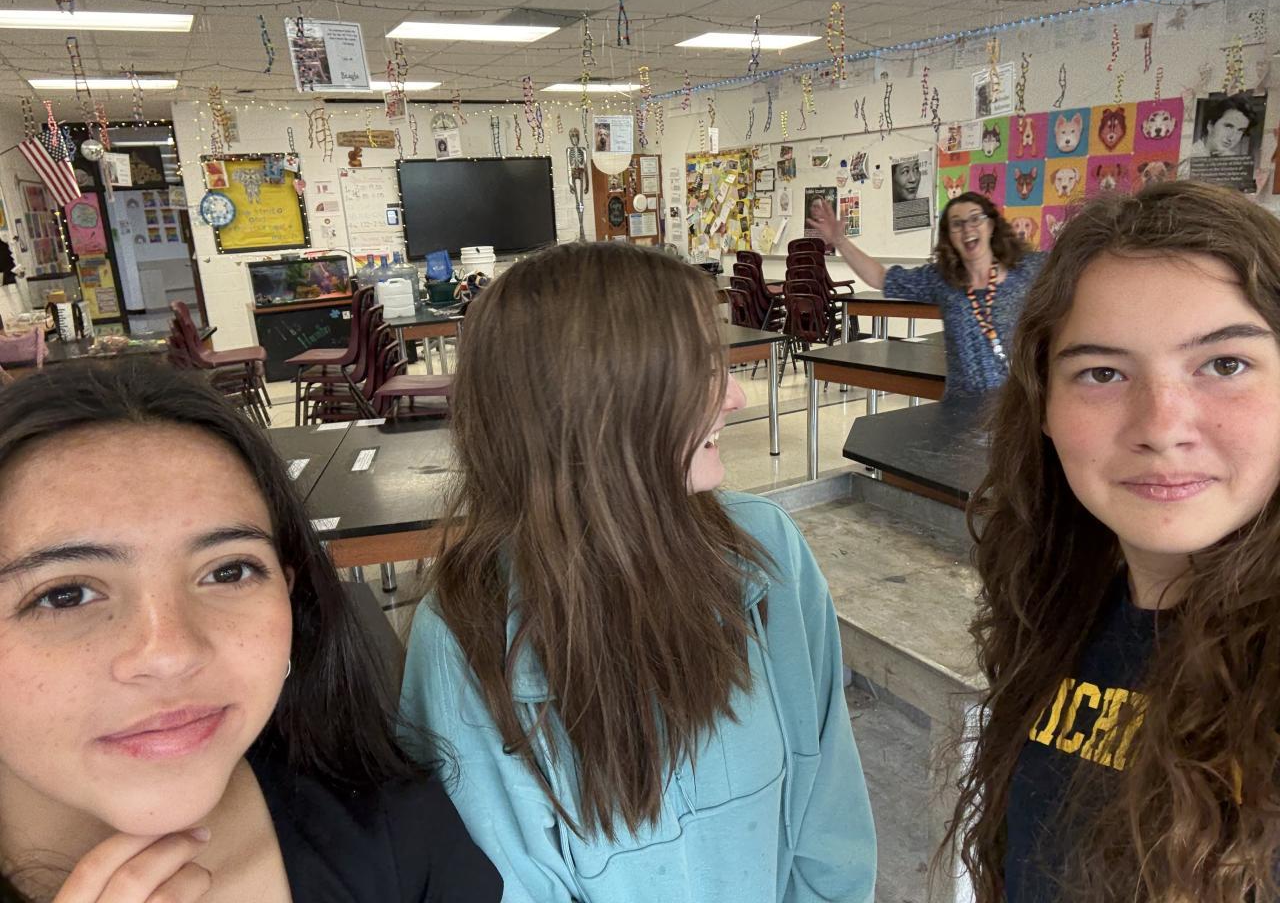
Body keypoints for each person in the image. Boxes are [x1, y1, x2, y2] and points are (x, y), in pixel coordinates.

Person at [400, 241, 877, 903]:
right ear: (598, 406)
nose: (736, 396)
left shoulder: (765, 550)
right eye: (697, 370)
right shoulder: (467, 628)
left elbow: (830, 820)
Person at [0, 362, 501, 903]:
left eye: (228, 571)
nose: (171, 655)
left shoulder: (405, 840)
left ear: (289, 595)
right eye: (64, 594)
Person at [945, 180, 1280, 902]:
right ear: (1043, 405)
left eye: (1225, 364)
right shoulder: (1056, 604)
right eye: (1102, 373)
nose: (1161, 426)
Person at [807, 191, 1044, 396]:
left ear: (990, 226)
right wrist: (840, 241)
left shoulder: (1027, 270)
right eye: (957, 224)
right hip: (961, 410)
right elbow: (880, 278)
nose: (967, 229)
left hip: (1016, 409)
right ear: (949, 236)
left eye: (975, 219)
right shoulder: (942, 280)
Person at [1189, 93, 1258, 158]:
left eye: (1240, 130)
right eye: (1228, 126)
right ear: (1210, 125)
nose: (1231, 138)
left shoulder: (1233, 159)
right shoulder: (1189, 155)